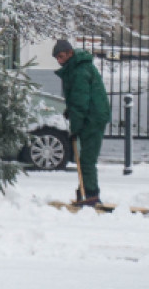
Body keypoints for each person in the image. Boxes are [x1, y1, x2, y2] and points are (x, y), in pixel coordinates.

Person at [54, 38, 111, 208]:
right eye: (57, 57)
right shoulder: (78, 67)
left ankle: (91, 195)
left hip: (92, 118)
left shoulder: (79, 71)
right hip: (92, 115)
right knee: (86, 156)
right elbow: (77, 100)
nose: (59, 60)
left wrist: (75, 128)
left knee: (87, 158)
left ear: (70, 53)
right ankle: (85, 191)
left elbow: (80, 101)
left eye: (61, 56)